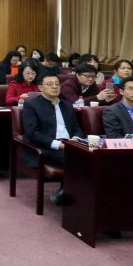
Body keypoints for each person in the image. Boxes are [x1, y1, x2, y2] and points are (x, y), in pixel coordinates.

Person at [22, 72, 84, 205]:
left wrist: (76, 138)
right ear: (40, 87)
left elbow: (77, 128)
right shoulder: (31, 104)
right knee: (77, 159)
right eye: (50, 84)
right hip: (46, 147)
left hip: (70, 144)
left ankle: (70, 192)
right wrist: (58, 144)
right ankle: (68, 193)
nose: (55, 87)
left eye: (57, 84)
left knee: (90, 157)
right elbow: (32, 133)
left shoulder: (67, 105)